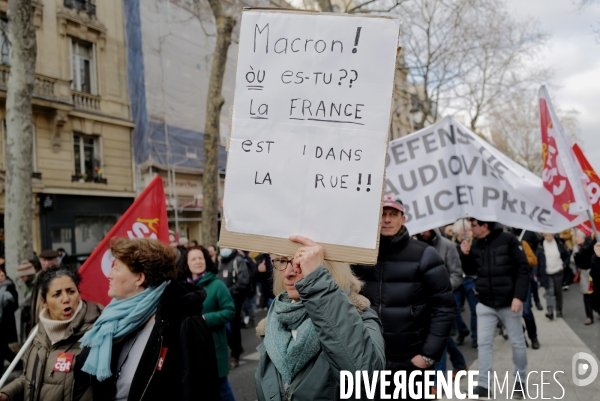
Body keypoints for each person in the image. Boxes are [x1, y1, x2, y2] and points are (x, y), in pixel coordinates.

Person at [78, 237, 219, 401]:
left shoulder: (184, 321)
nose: (109, 275)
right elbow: (84, 374)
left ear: (139, 278)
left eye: (116, 268)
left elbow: (201, 390)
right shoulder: (114, 316)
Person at [255, 236, 385, 400]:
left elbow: (364, 380)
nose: (288, 273)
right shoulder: (274, 324)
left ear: (327, 268)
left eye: (299, 262)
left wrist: (317, 283)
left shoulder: (361, 318)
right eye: (281, 261)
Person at [352, 195, 455, 399]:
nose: (387, 219)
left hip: (410, 360)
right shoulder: (360, 255)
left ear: (403, 219)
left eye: (393, 214)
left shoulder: (425, 254)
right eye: (382, 214)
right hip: (368, 358)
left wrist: (428, 355)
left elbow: (444, 306)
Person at [0, 266, 102, 401]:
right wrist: (6, 394)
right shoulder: (37, 334)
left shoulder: (95, 334)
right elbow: (28, 378)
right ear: (44, 302)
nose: (66, 299)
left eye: (71, 291)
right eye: (57, 294)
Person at [459, 219, 530, 398]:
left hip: (509, 303)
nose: (470, 229)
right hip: (485, 303)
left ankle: (520, 381)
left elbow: (523, 269)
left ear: (484, 226)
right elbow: (470, 270)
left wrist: (519, 297)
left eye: (473, 225)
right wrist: (465, 254)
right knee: (483, 344)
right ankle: (483, 384)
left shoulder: (509, 240)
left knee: (517, 342)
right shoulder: (475, 245)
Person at [178, 246, 236, 401]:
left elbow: (230, 311)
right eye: (193, 259)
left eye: (201, 258)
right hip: (190, 347)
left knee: (221, 389)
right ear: (186, 263)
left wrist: (205, 319)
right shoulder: (183, 287)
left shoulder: (217, 285)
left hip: (214, 345)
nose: (198, 261)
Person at [416, 228, 467, 396]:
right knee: (443, 339)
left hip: (441, 302)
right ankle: (460, 364)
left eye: (426, 229)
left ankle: (438, 382)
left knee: (438, 337)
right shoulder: (415, 247)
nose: (423, 232)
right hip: (422, 304)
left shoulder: (448, 246)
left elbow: (457, 275)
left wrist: (440, 291)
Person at [218, 248, 249, 369]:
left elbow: (244, 280)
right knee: (222, 324)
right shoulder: (221, 261)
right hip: (221, 299)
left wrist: (228, 292)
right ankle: (236, 347)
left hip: (234, 298)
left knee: (234, 326)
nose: (223, 249)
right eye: (221, 247)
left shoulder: (238, 260)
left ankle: (235, 355)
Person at [452, 219, 478, 348]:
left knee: (474, 309)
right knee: (453, 307)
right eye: (463, 231)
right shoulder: (452, 246)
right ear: (457, 234)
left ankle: (475, 335)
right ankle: (462, 330)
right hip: (456, 280)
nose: (466, 233)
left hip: (470, 279)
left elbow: (474, 263)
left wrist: (467, 253)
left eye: (468, 230)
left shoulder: (475, 244)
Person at [537, 233, 570, 320]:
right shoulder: (541, 246)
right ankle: (550, 310)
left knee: (558, 291)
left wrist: (564, 265)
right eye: (547, 236)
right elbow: (538, 260)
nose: (549, 237)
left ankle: (559, 309)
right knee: (549, 291)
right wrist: (537, 273)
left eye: (550, 236)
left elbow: (567, 255)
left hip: (558, 270)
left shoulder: (558, 244)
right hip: (547, 273)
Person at [29, 249, 61, 326]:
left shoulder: (61, 278)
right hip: (38, 319)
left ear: (56, 261)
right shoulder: (37, 278)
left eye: (50, 260)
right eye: (44, 260)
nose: (46, 263)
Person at [574, 233, 596, 325]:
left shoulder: (590, 246)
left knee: (596, 292)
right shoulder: (577, 247)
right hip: (583, 272)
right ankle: (589, 316)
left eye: (578, 236)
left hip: (593, 271)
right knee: (586, 295)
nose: (576, 238)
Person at [0, 265, 18, 378]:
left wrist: (7, 303)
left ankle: (18, 364)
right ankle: (18, 364)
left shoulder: (9, 287)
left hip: (5, 324)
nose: (0, 277)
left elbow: (14, 305)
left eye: (2, 275)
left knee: (2, 348)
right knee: (2, 349)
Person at [16, 260, 36, 343]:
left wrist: (20, 304)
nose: (21, 279)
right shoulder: (28, 284)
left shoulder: (35, 284)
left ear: (29, 274)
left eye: (23, 277)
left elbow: (29, 298)